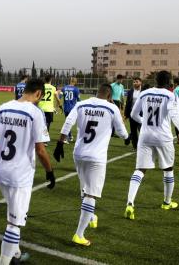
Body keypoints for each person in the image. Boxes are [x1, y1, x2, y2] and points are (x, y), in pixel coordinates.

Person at [0, 78, 55, 265]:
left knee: (13, 211)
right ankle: (5, 262)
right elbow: (40, 149)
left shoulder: (3, 107)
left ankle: (15, 255)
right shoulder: (35, 113)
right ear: (38, 93)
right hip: (20, 175)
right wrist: (50, 171)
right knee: (14, 223)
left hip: (0, 170)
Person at [53, 84, 128, 246]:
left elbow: (68, 122)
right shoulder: (111, 108)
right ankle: (79, 234)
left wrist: (60, 142)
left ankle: (92, 217)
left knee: (84, 188)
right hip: (97, 157)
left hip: (79, 153)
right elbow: (122, 133)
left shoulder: (81, 104)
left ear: (96, 92)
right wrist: (126, 134)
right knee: (91, 194)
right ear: (109, 96)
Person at [124, 71, 179, 220]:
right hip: (163, 137)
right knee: (168, 169)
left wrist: (145, 122)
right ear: (169, 82)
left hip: (145, 136)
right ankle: (167, 202)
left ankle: (130, 203)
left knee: (139, 170)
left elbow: (133, 114)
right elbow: (174, 114)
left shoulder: (144, 93)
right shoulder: (169, 95)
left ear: (155, 80)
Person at [59, 77, 81, 143]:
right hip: (73, 109)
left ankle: (70, 136)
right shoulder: (76, 89)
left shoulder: (64, 88)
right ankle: (69, 137)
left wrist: (59, 105)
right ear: (75, 82)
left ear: (70, 81)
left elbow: (59, 97)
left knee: (67, 122)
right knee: (76, 123)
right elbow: (79, 100)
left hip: (66, 108)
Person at [124, 77, 142, 150]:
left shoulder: (144, 91)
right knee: (133, 131)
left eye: (136, 82)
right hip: (132, 114)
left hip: (141, 114)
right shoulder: (130, 91)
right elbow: (128, 103)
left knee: (142, 131)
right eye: (134, 82)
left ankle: (142, 146)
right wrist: (126, 114)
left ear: (140, 82)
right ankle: (135, 146)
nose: (135, 83)